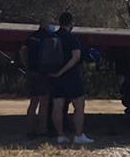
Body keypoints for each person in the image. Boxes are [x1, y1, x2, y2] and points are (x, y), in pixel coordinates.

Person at [50, 11, 92, 145]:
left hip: (55, 76)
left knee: (57, 105)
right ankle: (78, 135)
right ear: (71, 23)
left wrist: (56, 72)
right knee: (79, 105)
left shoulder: (53, 37)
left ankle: (60, 135)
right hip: (71, 76)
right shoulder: (71, 38)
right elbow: (76, 57)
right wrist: (63, 71)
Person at [24, 18, 60, 139]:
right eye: (51, 24)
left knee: (33, 103)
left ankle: (29, 130)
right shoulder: (49, 37)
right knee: (44, 103)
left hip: (32, 72)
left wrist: (26, 65)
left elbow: (22, 50)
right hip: (43, 73)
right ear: (45, 25)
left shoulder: (32, 37)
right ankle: (42, 130)